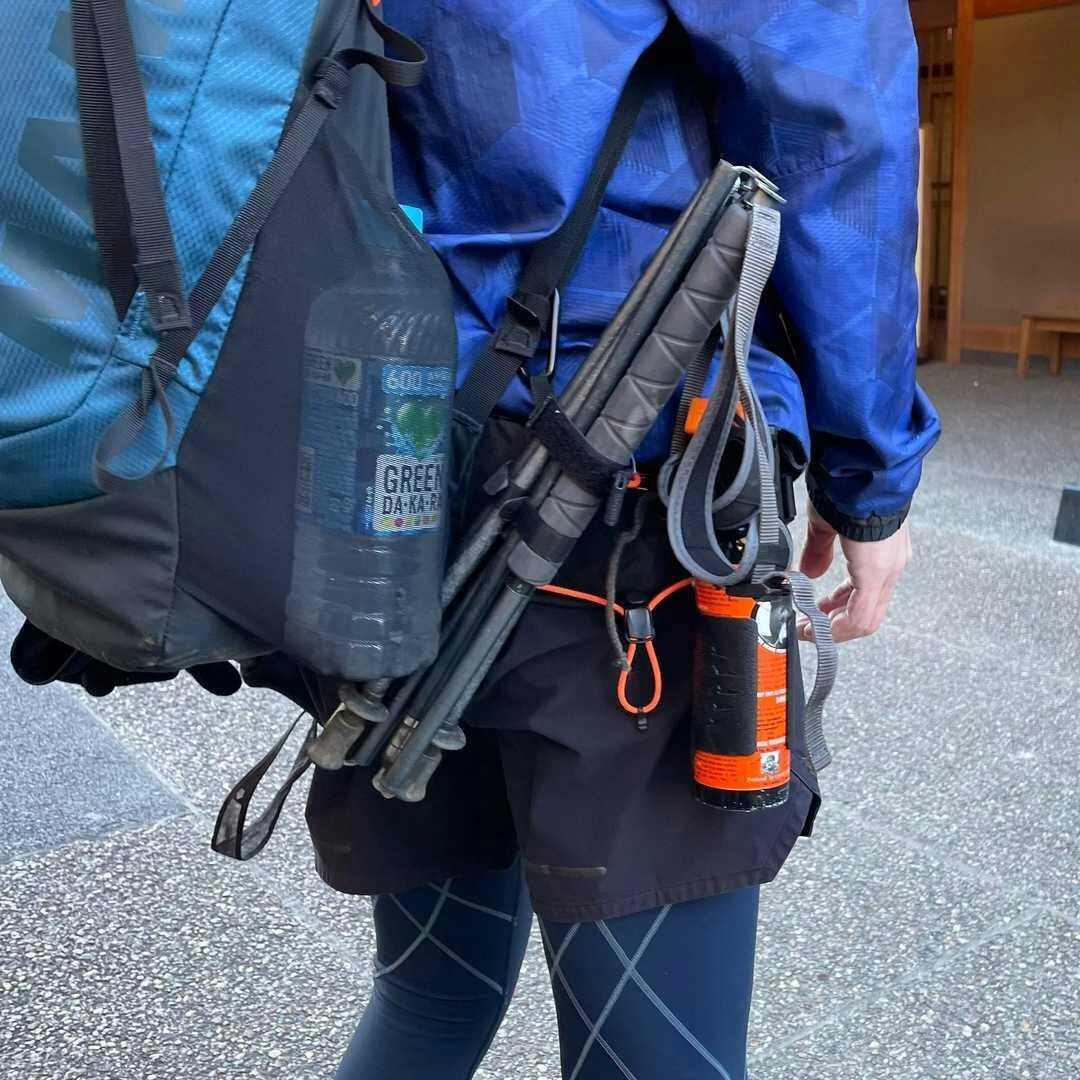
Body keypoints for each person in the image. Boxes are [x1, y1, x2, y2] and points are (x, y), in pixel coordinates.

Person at [304, 2, 940, 1077]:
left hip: (378, 450)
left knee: (430, 999)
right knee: (655, 1058)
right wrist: (868, 474)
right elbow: (836, 122)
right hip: (623, 476)